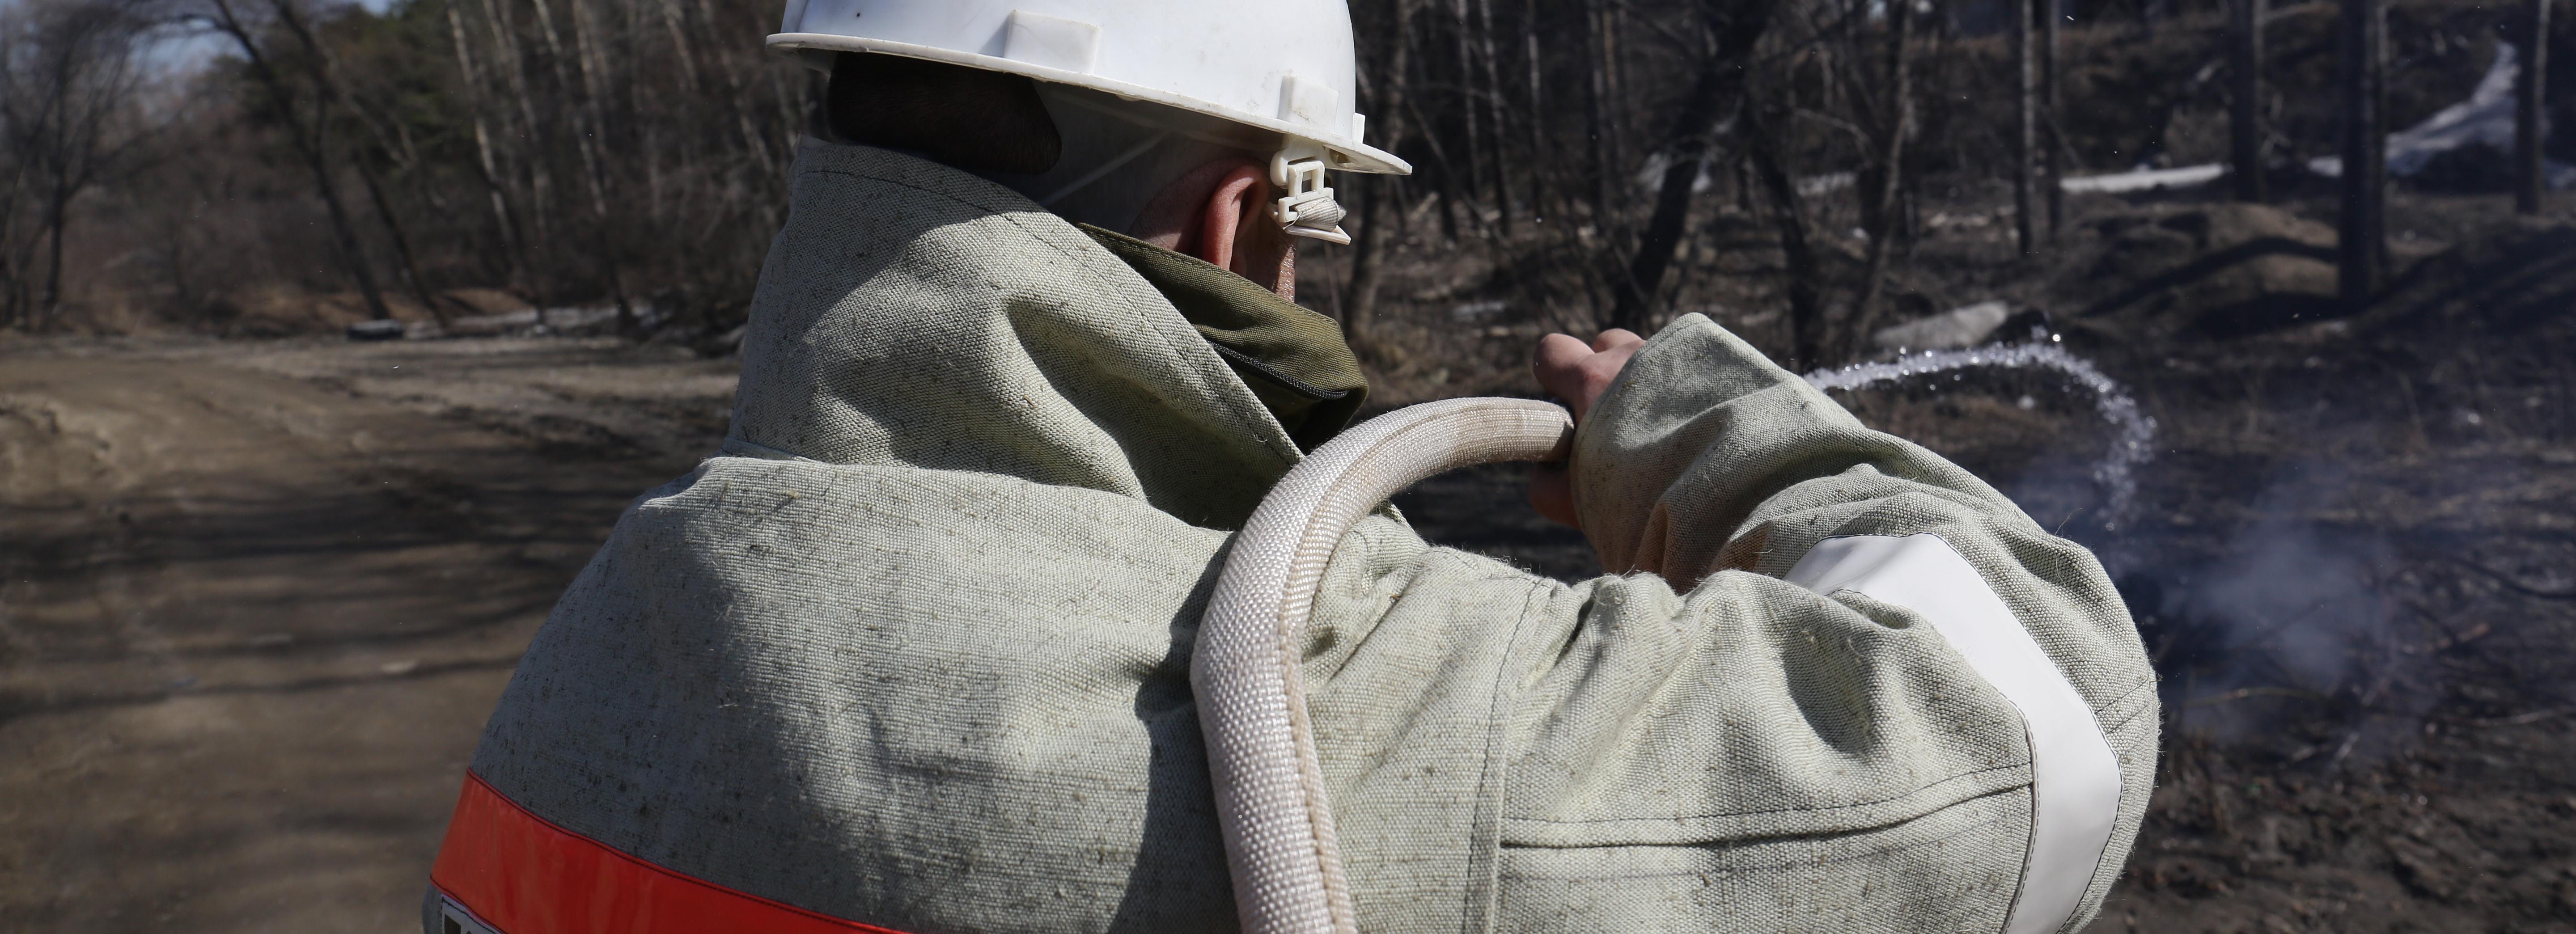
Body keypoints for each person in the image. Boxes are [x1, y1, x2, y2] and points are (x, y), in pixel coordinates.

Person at [424, 3, 2157, 932]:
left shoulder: (615, 635)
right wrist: (1711, 441)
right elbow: (2044, 725)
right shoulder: (1329, 706)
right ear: (1240, 216)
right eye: (1311, 217)